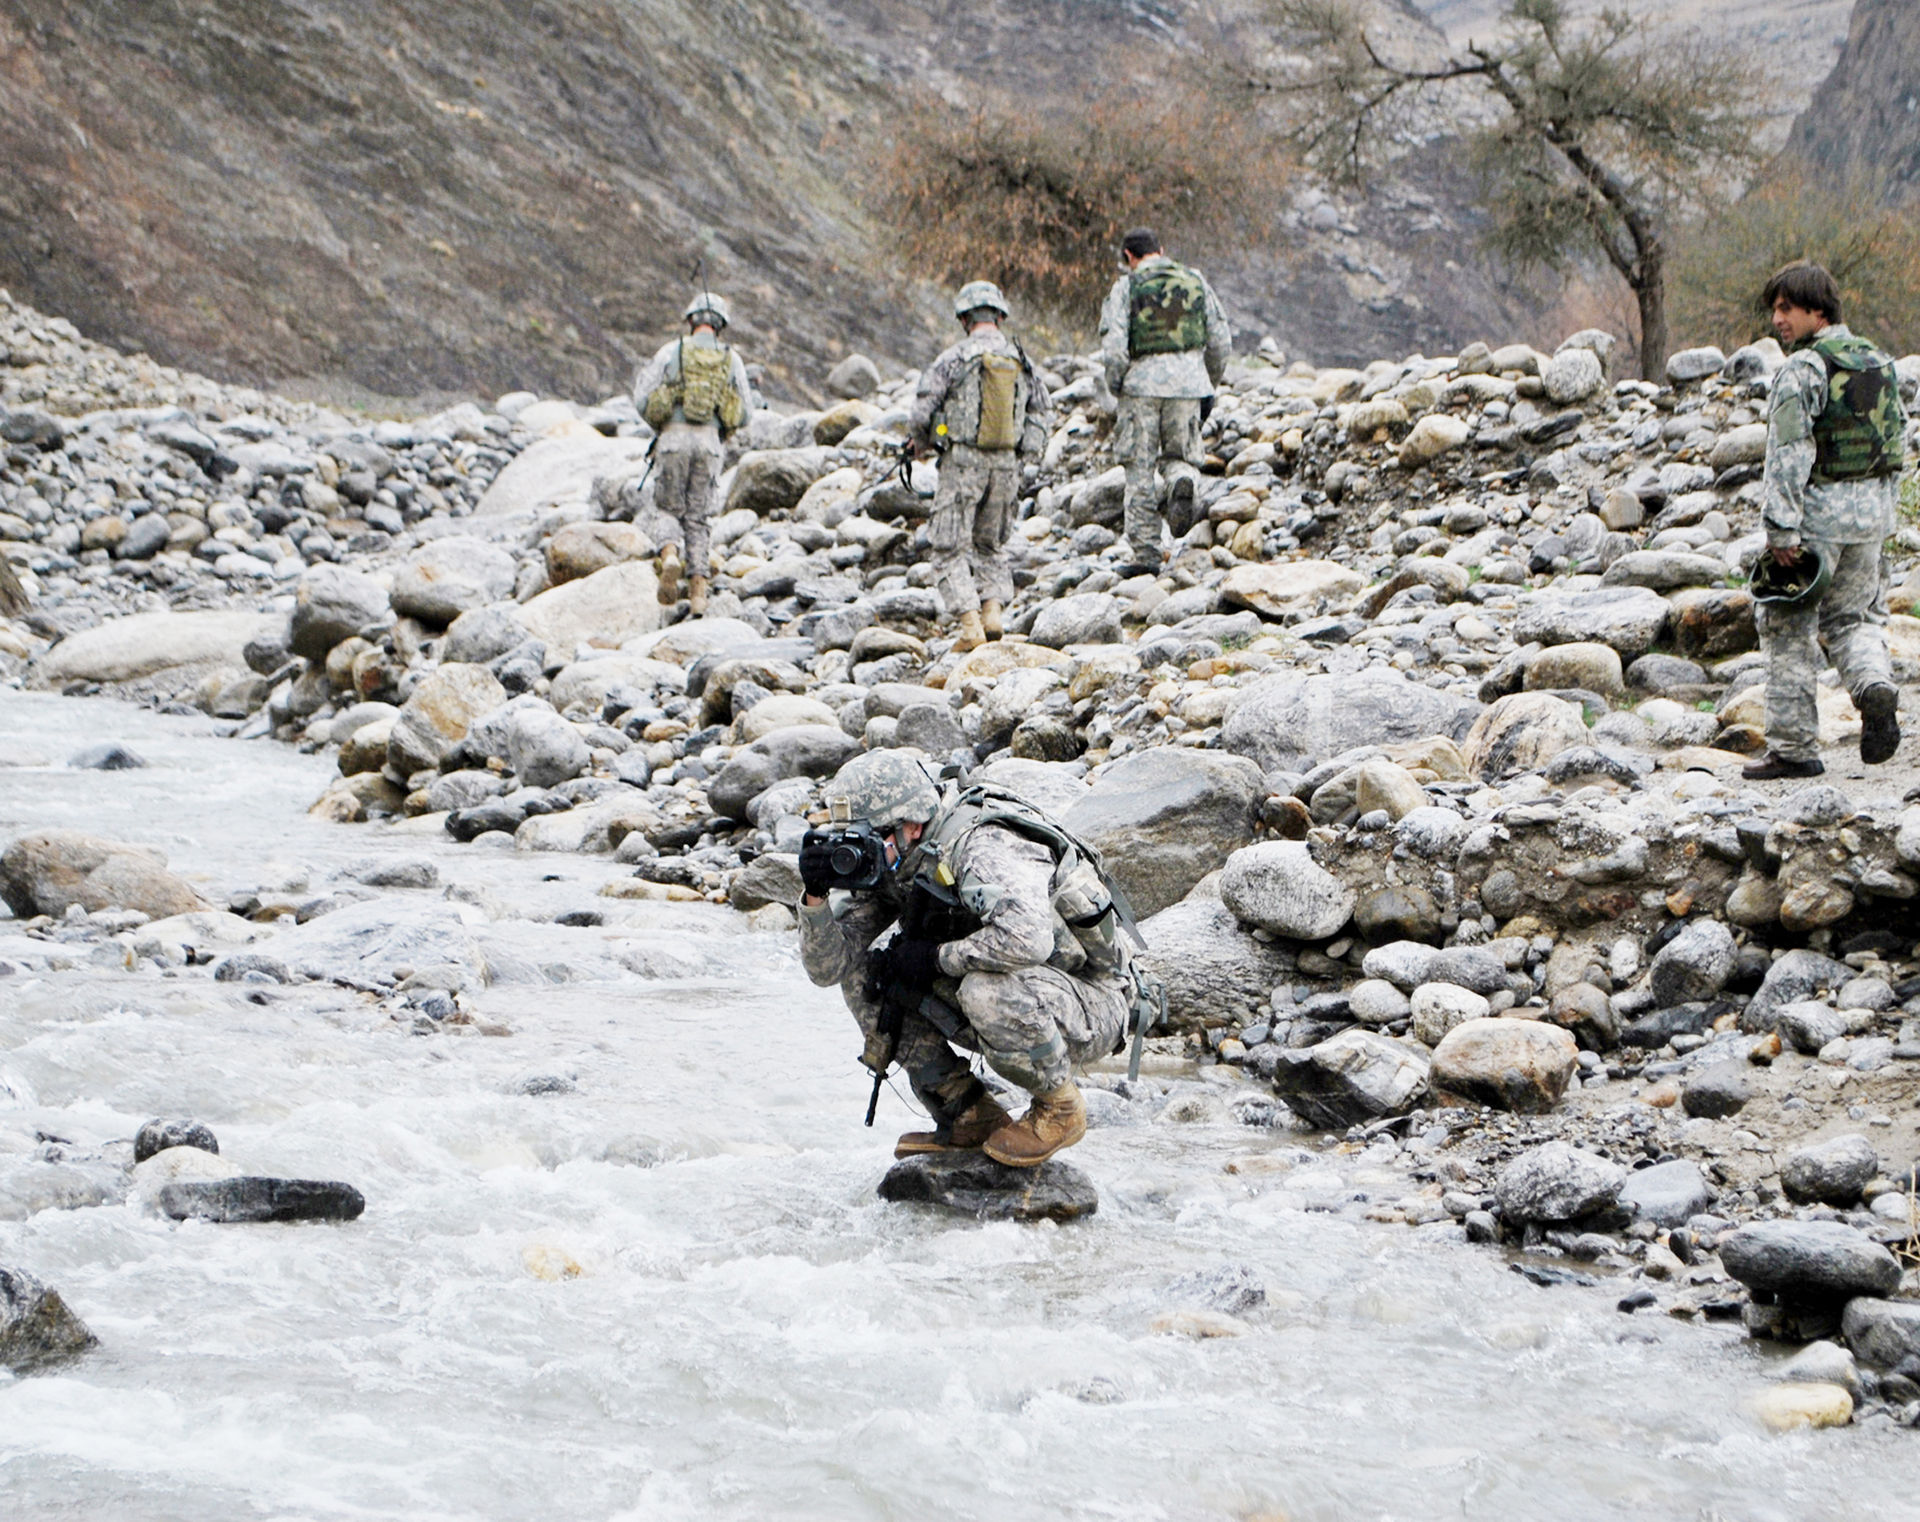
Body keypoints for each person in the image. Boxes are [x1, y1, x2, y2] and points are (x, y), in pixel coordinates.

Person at [797, 753, 1140, 1168]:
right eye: (848, 836)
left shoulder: (982, 846)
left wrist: (936, 958)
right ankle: (968, 1114)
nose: (858, 848)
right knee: (869, 977)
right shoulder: (895, 857)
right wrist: (815, 896)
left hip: (1091, 1000)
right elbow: (828, 969)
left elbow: (1029, 939)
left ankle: (1060, 1109)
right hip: (1023, 989)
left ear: (911, 824)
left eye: (868, 835)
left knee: (984, 990)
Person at [1743, 261, 1906, 781]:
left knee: (1787, 625)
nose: (1777, 320)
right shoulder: (1879, 361)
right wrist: (1885, 518)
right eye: (1775, 309)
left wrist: (1780, 530)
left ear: (1818, 311)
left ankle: (1793, 749)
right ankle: (1874, 686)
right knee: (1854, 621)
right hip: (1872, 519)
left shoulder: (1803, 369)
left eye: (1786, 309)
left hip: (1816, 521)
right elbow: (1896, 445)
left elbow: (1788, 451)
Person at [908, 281, 1053, 652]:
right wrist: (1023, 455)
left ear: (964, 319)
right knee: (991, 545)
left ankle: (970, 625)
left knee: (948, 546)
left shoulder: (954, 358)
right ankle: (993, 615)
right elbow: (1041, 411)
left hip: (962, 465)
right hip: (1006, 467)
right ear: (1000, 317)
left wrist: (922, 442)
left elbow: (923, 411)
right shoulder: (1022, 360)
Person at [1098, 228, 1232, 575]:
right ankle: (1180, 482)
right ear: (1162, 249)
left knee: (1139, 469)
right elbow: (1220, 340)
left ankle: (1146, 555)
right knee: (1182, 456)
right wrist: (1207, 382)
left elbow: (1114, 348)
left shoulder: (1126, 287)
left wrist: (1118, 386)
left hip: (1140, 388)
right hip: (1189, 384)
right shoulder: (1195, 280)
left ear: (1128, 257)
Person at [633, 293, 753, 618]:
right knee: (698, 517)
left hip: (673, 438)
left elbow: (642, 398)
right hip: (709, 443)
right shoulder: (732, 359)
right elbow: (746, 411)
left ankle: (670, 555)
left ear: (691, 320)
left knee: (667, 508)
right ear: (721, 325)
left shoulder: (670, 351)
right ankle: (699, 592)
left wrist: (663, 425)